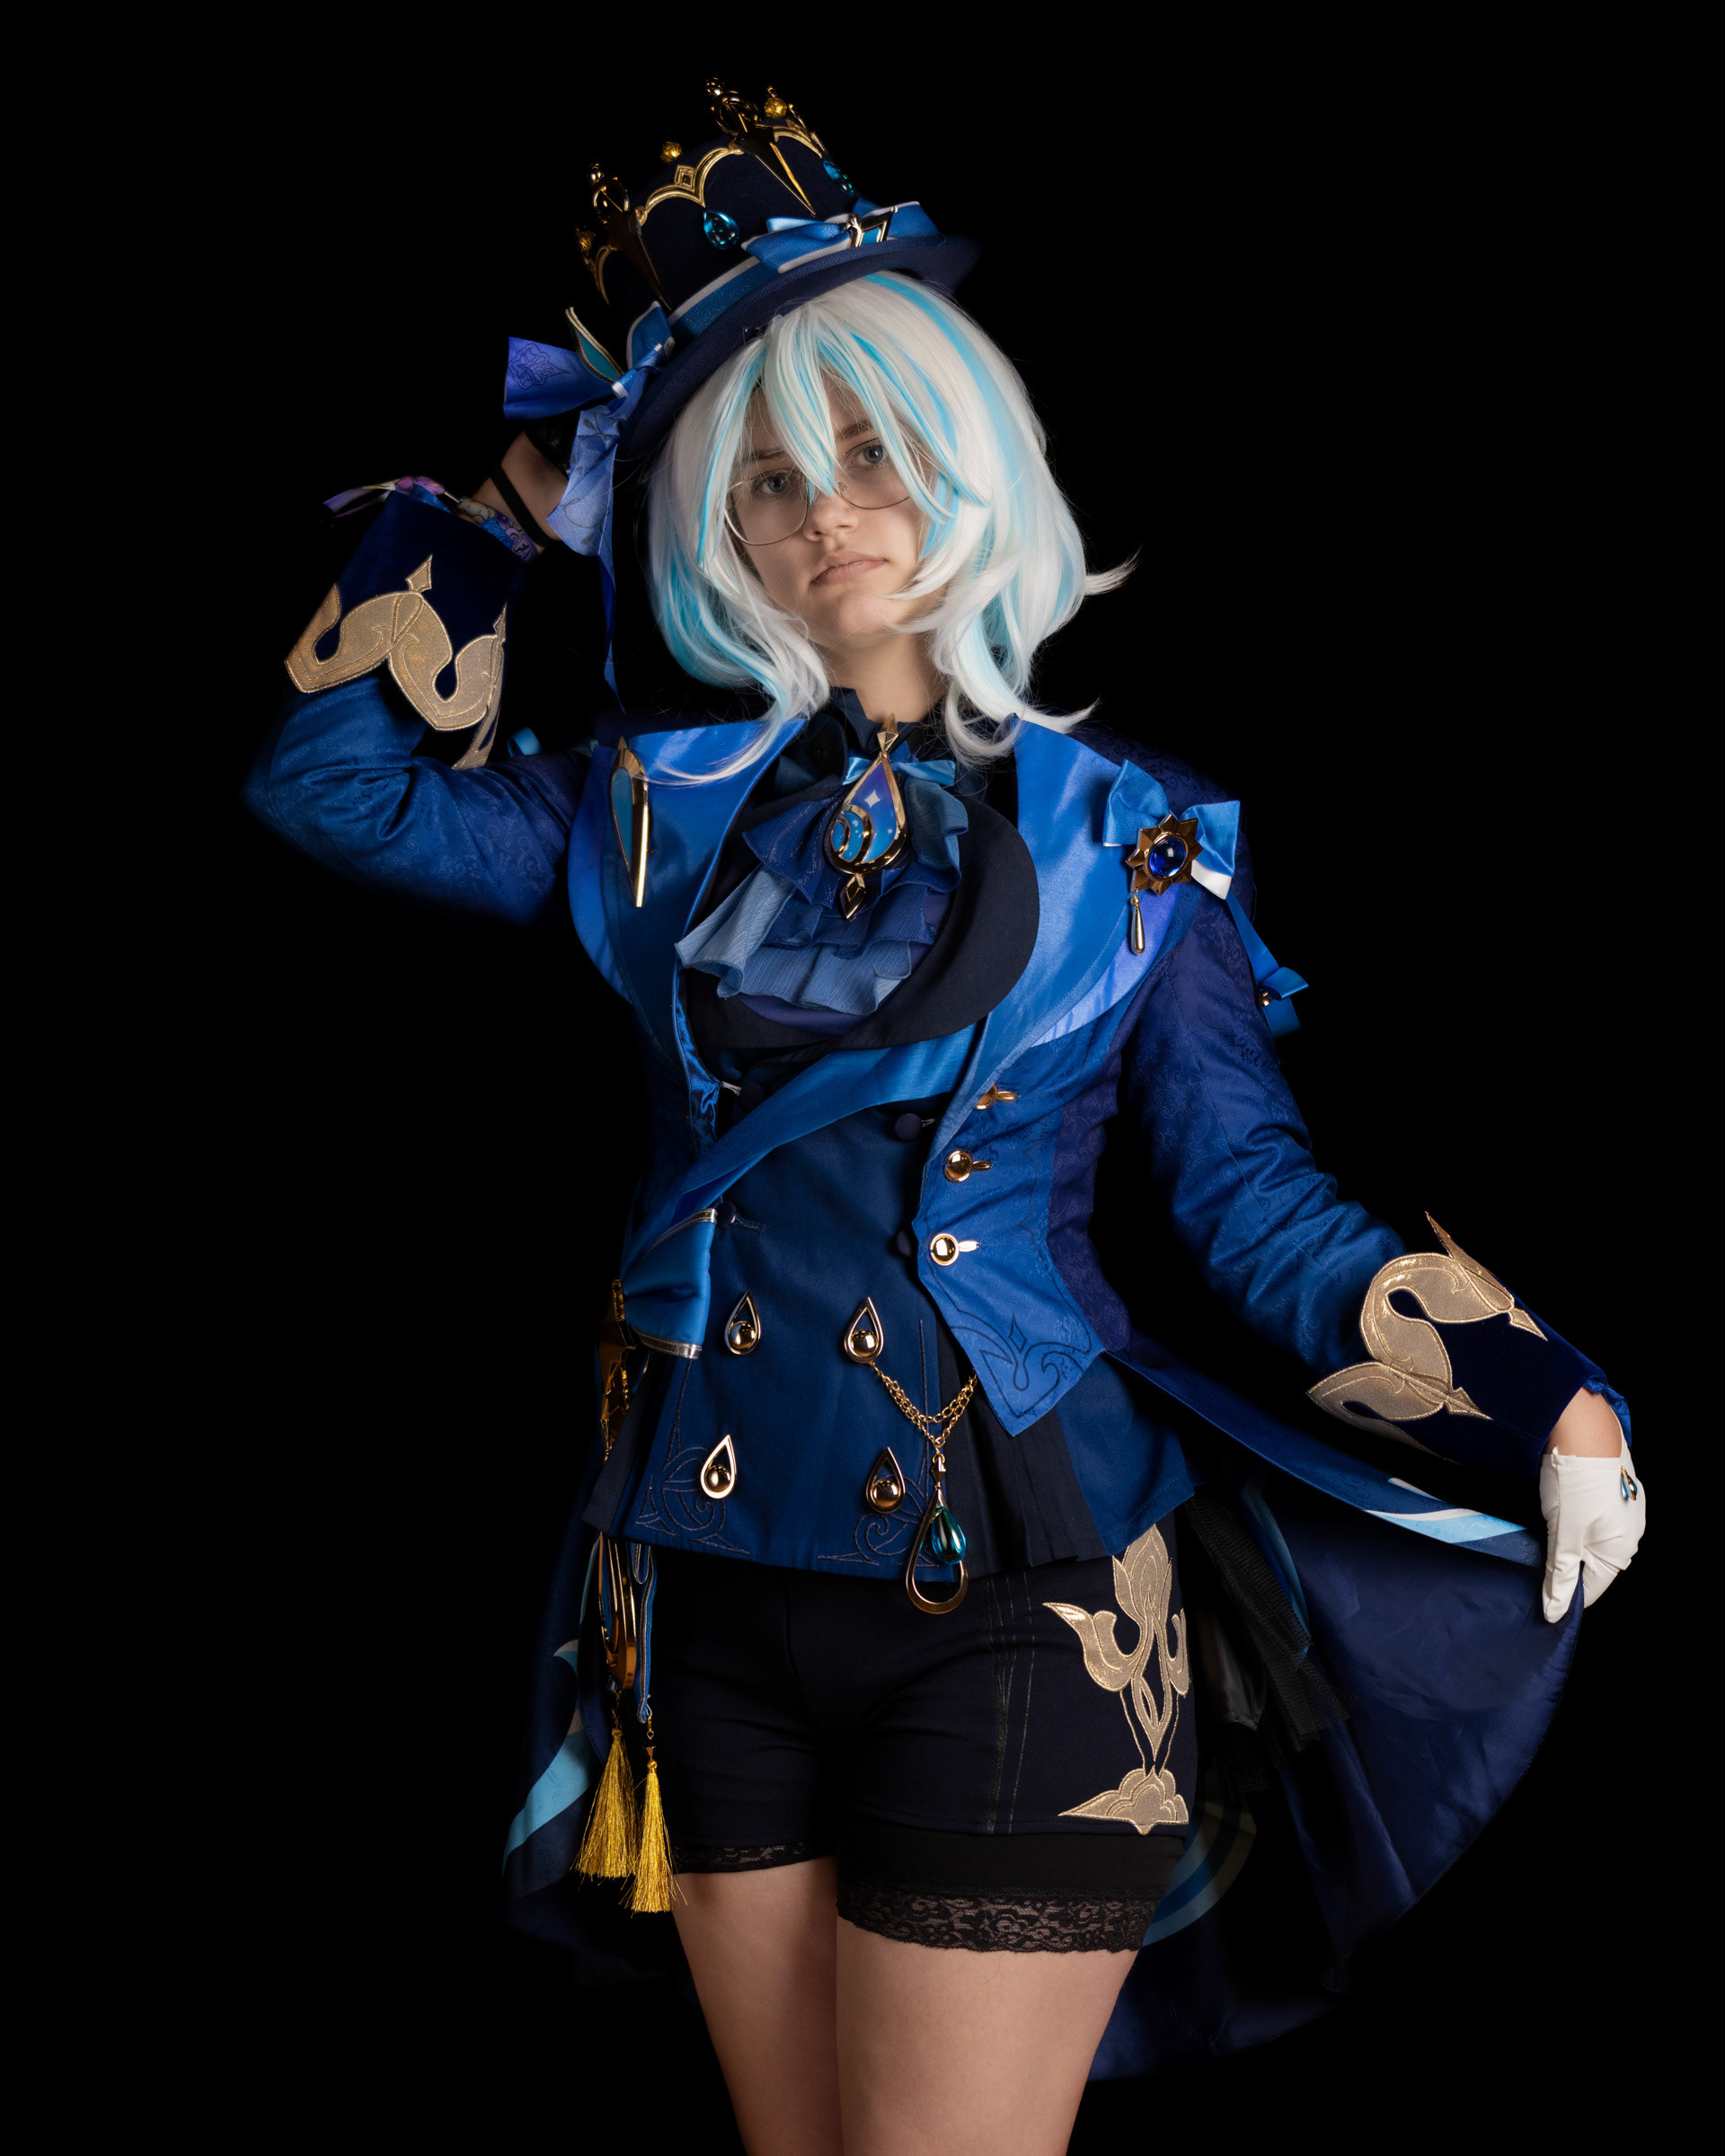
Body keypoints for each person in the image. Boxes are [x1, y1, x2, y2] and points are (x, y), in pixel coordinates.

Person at [245, 81, 1645, 2156]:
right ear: (710, 521)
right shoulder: (640, 805)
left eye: (879, 452)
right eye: (768, 480)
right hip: (700, 1586)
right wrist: (519, 509)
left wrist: (1548, 1397)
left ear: (972, 460)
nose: (832, 515)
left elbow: (1246, 1197)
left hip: (1032, 1600)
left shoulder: (1132, 838)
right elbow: (328, 787)